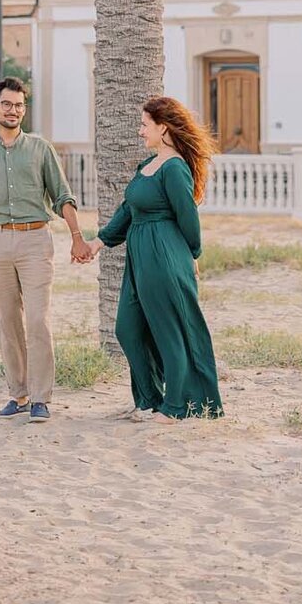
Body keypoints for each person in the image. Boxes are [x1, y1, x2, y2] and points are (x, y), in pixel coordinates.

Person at [85, 96, 223, 422]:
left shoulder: (174, 168)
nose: (139, 130)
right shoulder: (146, 166)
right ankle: (147, 400)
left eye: (144, 124)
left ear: (162, 128)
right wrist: (99, 243)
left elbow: (188, 216)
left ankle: (175, 406)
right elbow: (127, 211)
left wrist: (193, 255)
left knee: (168, 330)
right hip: (139, 257)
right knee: (127, 329)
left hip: (164, 254)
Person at [0, 77, 89, 424]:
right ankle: (17, 395)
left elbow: (63, 195)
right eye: (6, 104)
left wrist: (77, 236)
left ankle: (40, 398)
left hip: (36, 241)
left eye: (19, 105)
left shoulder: (41, 149)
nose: (13, 110)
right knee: (7, 322)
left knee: (37, 319)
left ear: (24, 109)